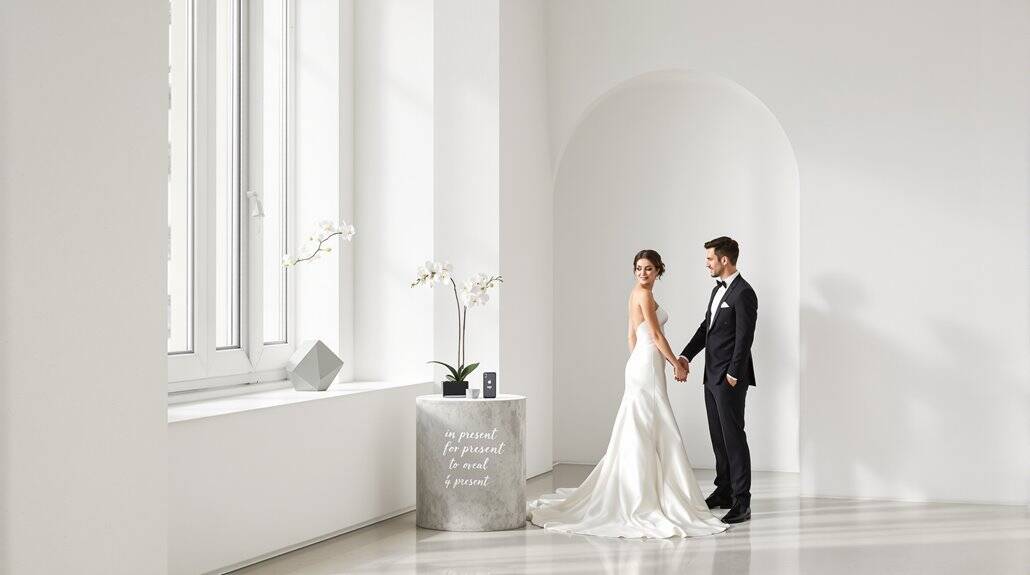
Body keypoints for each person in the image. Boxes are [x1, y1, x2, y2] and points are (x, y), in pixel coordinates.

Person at [526, 250, 728, 538]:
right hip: (647, 366)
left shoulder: (637, 294)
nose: (642, 273)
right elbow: (655, 335)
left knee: (643, 425)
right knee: (652, 424)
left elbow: (632, 336)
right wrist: (675, 364)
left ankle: (644, 490)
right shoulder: (643, 295)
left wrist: (640, 360)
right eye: (638, 268)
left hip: (641, 364)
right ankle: (644, 495)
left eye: (648, 268)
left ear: (658, 271)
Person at [676, 236, 758, 524]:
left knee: (734, 438)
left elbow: (745, 337)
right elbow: (706, 328)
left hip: (730, 378)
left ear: (724, 260)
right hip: (710, 376)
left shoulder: (744, 292)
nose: (707, 264)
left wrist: (734, 372)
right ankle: (724, 491)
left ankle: (742, 502)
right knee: (718, 437)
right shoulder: (716, 290)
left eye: (710, 258)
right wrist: (686, 356)